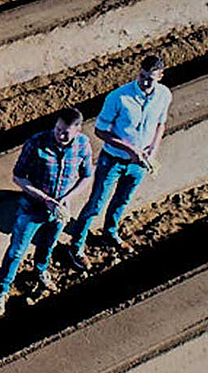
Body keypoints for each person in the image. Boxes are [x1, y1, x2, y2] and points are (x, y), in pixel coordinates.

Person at [69, 54, 172, 269]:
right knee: (96, 204)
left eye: (150, 78)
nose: (144, 82)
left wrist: (153, 150)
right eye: (142, 76)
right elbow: (100, 130)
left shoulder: (164, 95)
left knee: (122, 200)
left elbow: (160, 124)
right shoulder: (119, 97)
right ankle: (76, 246)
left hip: (139, 163)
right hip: (113, 161)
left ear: (160, 76)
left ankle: (110, 233)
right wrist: (130, 149)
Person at [0, 107, 92, 315]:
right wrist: (45, 199)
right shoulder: (36, 143)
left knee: (48, 244)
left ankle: (41, 271)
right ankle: (2, 290)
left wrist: (66, 199)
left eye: (65, 132)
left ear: (77, 130)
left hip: (60, 211)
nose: (60, 135)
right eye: (58, 129)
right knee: (17, 250)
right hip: (32, 209)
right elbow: (18, 176)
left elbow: (87, 175)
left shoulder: (82, 145)